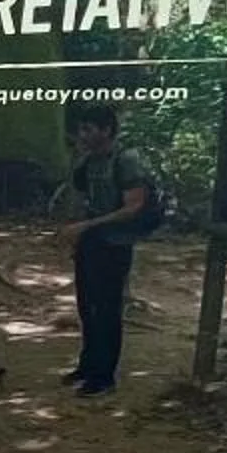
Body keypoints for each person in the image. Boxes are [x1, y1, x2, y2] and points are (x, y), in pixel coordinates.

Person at [56, 102, 156, 398]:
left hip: (114, 243)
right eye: (81, 129)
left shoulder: (126, 160)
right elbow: (81, 195)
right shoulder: (89, 161)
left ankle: (104, 376)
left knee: (107, 309)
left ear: (106, 130)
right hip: (92, 240)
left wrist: (87, 226)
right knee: (87, 305)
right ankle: (88, 365)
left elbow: (133, 206)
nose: (82, 134)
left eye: (88, 129)